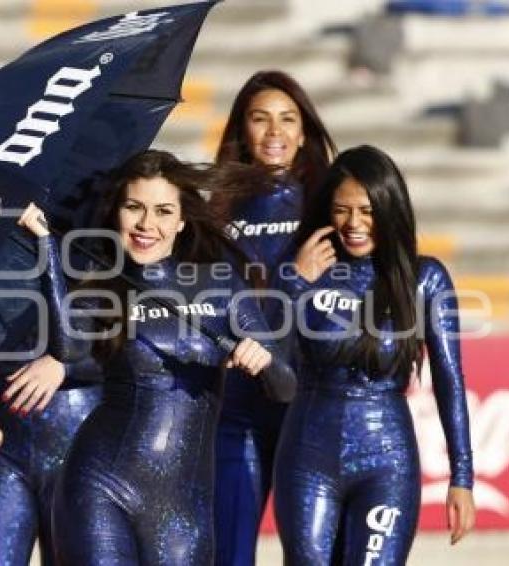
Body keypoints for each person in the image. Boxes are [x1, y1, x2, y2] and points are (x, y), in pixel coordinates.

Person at [17, 150, 297, 565]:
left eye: (163, 211)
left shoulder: (218, 282)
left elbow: (285, 387)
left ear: (182, 220)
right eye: (134, 207)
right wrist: (45, 247)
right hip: (98, 485)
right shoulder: (100, 282)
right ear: (117, 212)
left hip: (184, 507)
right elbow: (69, 349)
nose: (147, 225)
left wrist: (264, 360)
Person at [272, 145, 476, 564]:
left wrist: (462, 476)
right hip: (307, 455)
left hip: (387, 462)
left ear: (389, 208)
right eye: (342, 210)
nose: (354, 224)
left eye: (367, 210)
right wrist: (294, 282)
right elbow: (265, 354)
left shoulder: (426, 278)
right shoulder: (303, 268)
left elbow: (449, 380)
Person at [209, 70, 336, 565]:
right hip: (236, 409)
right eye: (260, 119)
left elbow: (337, 310)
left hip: (308, 409)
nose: (275, 132)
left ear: (305, 132)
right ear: (243, 130)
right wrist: (293, 276)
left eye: (288, 119)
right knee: (230, 555)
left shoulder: (329, 207)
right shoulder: (215, 209)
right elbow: (222, 308)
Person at [0, 235, 103, 566]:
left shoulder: (97, 232)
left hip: (82, 448)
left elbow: (139, 344)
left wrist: (64, 363)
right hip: (1, 450)